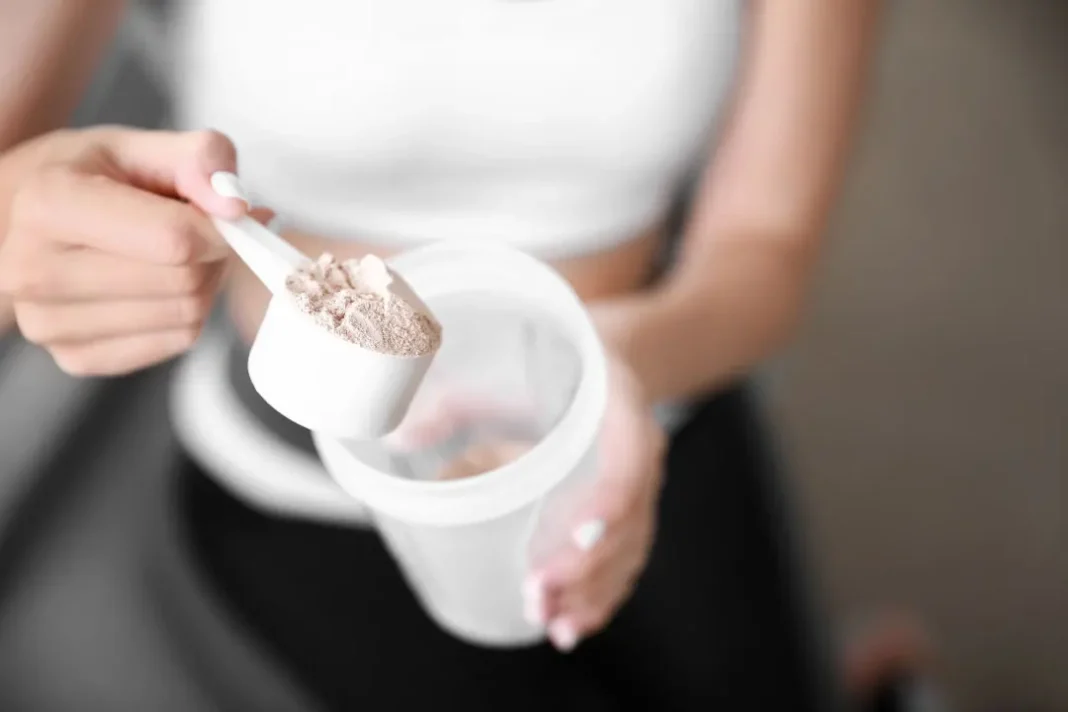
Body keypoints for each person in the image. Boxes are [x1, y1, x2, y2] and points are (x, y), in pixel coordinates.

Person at [0, 1, 889, 709]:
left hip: (643, 412)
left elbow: (765, 244)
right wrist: (18, 227)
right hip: (302, 488)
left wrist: (619, 365)